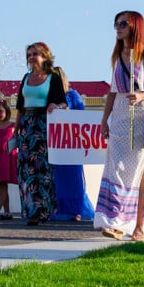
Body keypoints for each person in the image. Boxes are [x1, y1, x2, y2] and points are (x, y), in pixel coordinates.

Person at [95, 11, 144, 242]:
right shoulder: (118, 56)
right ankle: (116, 222)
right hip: (118, 116)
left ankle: (137, 226)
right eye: (116, 23)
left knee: (139, 173)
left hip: (140, 116)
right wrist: (104, 119)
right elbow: (112, 91)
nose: (118, 27)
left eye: (123, 23)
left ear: (135, 26)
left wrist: (142, 94)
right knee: (115, 169)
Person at [15, 42, 68, 226]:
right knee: (25, 170)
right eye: (29, 54)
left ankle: (41, 211)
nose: (31, 57)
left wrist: (56, 106)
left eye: (35, 54)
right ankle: (30, 209)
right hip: (26, 127)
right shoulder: (26, 77)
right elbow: (20, 107)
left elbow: (63, 103)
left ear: (45, 56)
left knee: (41, 169)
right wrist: (16, 131)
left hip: (42, 126)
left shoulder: (52, 78)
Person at [51, 84, 96, 221]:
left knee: (74, 178)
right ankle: (62, 208)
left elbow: (76, 112)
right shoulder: (52, 97)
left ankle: (77, 209)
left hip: (72, 145)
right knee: (59, 179)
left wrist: (59, 107)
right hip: (59, 145)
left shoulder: (72, 95)